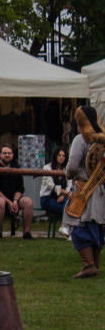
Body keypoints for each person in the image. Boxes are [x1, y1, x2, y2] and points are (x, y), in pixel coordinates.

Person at [65, 105, 105, 278]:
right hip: (101, 190)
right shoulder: (103, 138)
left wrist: (68, 174)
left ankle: (89, 265)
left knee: (77, 224)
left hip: (84, 189)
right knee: (96, 227)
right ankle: (94, 264)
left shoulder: (80, 140)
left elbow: (72, 166)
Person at [0, 143, 34, 240]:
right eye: (4, 153)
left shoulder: (16, 168)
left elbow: (20, 188)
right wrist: (9, 202)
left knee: (28, 202)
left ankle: (26, 233)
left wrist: (14, 201)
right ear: (0, 155)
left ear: (13, 155)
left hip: (11, 198)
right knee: (0, 202)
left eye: (9, 153)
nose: (7, 155)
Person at [41, 147, 71, 238]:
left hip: (62, 198)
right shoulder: (47, 167)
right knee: (69, 206)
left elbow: (70, 184)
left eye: (63, 156)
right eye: (59, 155)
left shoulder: (66, 169)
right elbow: (52, 186)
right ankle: (66, 227)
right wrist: (66, 193)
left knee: (69, 204)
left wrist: (64, 195)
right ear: (55, 156)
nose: (61, 157)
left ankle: (67, 229)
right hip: (47, 198)